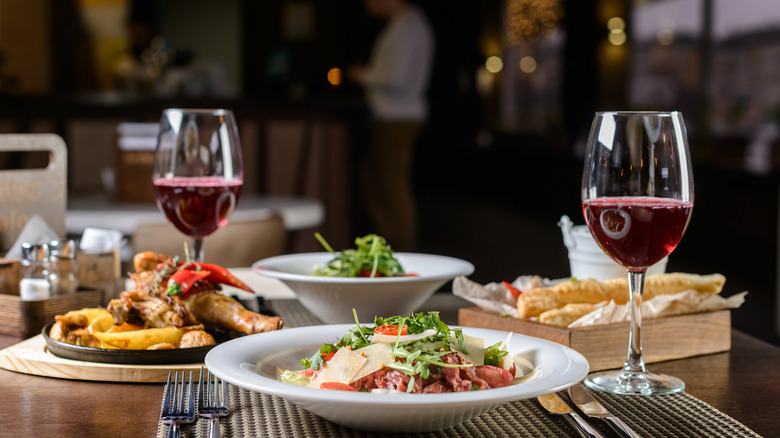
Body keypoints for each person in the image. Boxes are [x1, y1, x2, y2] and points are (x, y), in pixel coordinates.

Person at [348, 0, 434, 252]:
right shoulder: (403, 24)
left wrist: (362, 74)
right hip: (393, 114)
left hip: (399, 116)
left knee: (391, 183)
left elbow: (396, 78)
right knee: (377, 180)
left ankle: (400, 249)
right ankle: (392, 244)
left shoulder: (408, 26)